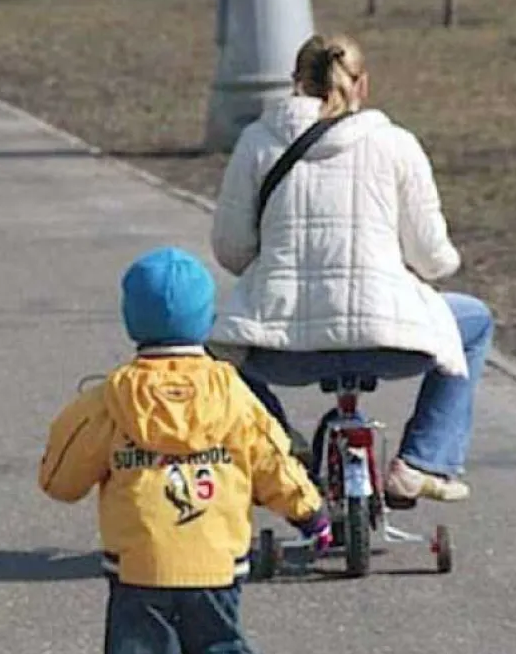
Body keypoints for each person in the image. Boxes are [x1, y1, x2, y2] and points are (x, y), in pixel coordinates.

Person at [38, 247, 332, 654]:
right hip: (217, 562)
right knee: (225, 646)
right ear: (205, 320)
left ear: (132, 320)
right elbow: (275, 459)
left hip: (140, 566)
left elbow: (60, 479)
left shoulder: (111, 398)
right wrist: (311, 515)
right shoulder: (232, 393)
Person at [209, 33, 494, 505]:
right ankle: (423, 461)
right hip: (388, 343)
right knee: (475, 322)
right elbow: (432, 259)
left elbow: (233, 251)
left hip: (284, 350)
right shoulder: (396, 144)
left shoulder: (256, 143)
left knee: (211, 345)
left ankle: (280, 449)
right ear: (362, 84)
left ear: (294, 83)